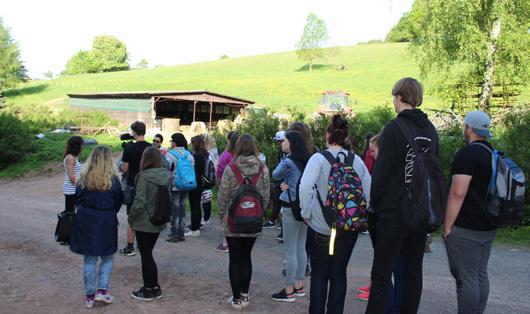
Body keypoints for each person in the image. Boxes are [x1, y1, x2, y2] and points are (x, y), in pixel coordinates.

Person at [366, 78, 439, 314]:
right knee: (412, 273)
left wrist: (375, 205)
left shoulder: (394, 128)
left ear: (399, 96)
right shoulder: (431, 130)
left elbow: (382, 172)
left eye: (393, 96)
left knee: (381, 273)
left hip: (394, 212)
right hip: (420, 210)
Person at [299, 115, 371, 314]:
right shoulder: (356, 161)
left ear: (328, 135)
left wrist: (306, 213)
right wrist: (361, 217)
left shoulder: (318, 159)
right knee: (339, 274)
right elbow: (368, 190)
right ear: (346, 137)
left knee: (320, 275)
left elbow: (305, 187)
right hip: (348, 227)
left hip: (321, 227)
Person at [444, 110, 497, 314]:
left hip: (466, 226)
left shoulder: (467, 155)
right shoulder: (492, 154)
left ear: (469, 128)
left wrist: (448, 225)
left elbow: (458, 192)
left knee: (466, 277)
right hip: (488, 224)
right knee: (480, 273)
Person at [217, 134, 270, 310]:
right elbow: (266, 197)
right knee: (246, 257)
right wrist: (259, 214)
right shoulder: (263, 169)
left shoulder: (231, 169)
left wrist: (222, 217)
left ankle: (237, 299)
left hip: (233, 222)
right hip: (254, 220)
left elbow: (222, 196)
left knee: (235, 258)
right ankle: (245, 295)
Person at [69, 146, 123, 308]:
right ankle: (102, 291)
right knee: (107, 257)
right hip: (106, 219)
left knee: (90, 259)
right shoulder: (113, 180)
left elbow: (76, 198)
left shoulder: (83, 178)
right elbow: (118, 201)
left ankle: (90, 296)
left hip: (86, 220)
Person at [271, 130, 311, 303]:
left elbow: (275, 174)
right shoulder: (308, 159)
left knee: (290, 250)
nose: (282, 143)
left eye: (284, 141)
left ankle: (288, 290)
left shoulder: (288, 161)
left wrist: (284, 183)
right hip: (304, 208)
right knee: (301, 247)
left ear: (291, 143)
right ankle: (299, 286)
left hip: (289, 207)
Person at [128, 147, 171, 301]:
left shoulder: (143, 177)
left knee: (146, 256)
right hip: (158, 221)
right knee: (148, 254)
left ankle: (148, 290)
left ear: (145, 160)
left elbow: (139, 202)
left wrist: (131, 218)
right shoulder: (166, 176)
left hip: (144, 222)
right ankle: (154, 287)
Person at [119, 121, 151, 257]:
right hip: (149, 185)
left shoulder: (129, 149)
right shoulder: (151, 148)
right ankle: (143, 246)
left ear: (133, 132)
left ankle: (130, 246)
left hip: (133, 185)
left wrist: (121, 166)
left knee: (132, 217)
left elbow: (125, 169)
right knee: (145, 215)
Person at [166, 133, 194, 243]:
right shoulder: (189, 155)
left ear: (174, 142)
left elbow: (167, 170)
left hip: (175, 185)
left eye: (171, 141)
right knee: (182, 209)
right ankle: (181, 233)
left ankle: (174, 234)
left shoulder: (170, 154)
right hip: (187, 185)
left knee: (175, 210)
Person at [214, 131, 239, 252]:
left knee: (226, 214)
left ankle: (226, 243)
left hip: (227, 186)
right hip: (241, 188)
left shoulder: (226, 154)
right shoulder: (242, 154)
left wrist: (218, 185)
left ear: (229, 141)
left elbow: (219, 171)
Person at [263, 131, 288, 241]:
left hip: (286, 180)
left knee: (284, 202)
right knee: (277, 199)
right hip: (280, 179)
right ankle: (273, 220)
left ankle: (283, 228)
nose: (279, 143)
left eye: (280, 141)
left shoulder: (289, 152)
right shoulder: (282, 151)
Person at [186, 135, 208, 237]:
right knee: (197, 206)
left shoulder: (196, 156)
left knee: (194, 206)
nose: (191, 144)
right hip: (200, 183)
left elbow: (193, 171)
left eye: (192, 142)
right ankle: (196, 227)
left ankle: (194, 229)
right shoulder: (203, 154)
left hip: (194, 183)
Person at [63, 136, 83, 218]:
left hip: (75, 189)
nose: (82, 147)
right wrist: (82, 187)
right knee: (70, 213)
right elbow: (72, 177)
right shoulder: (70, 158)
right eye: (81, 145)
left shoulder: (74, 157)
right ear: (76, 145)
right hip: (71, 190)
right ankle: (66, 230)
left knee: (74, 213)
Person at [202, 133, 219, 225]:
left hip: (207, 176)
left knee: (205, 196)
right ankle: (206, 216)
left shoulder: (208, 153)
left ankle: (206, 217)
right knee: (207, 196)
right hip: (212, 176)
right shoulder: (214, 150)